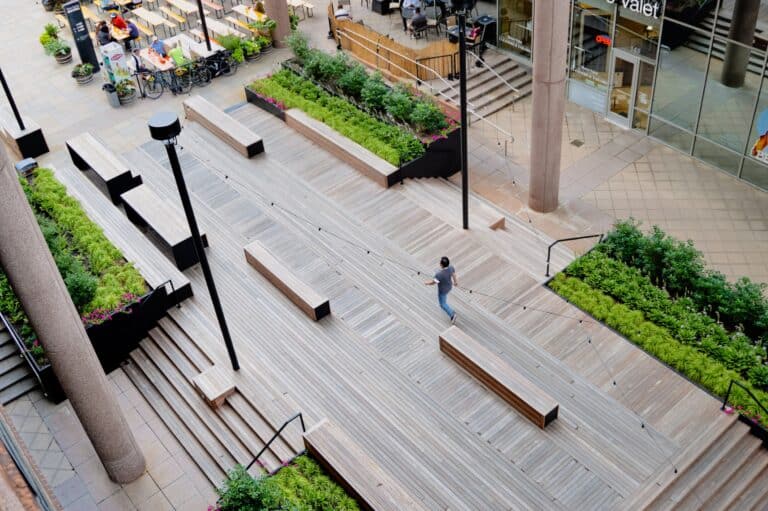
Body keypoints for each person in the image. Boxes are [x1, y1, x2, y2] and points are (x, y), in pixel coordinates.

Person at [425, 256, 457, 323]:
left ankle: (452, 314)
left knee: (442, 304)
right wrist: (455, 282)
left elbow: (433, 282)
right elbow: (453, 275)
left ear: (441, 265)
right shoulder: (451, 267)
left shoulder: (439, 274)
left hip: (442, 290)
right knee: (444, 302)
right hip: (449, 287)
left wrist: (427, 283)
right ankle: (450, 310)